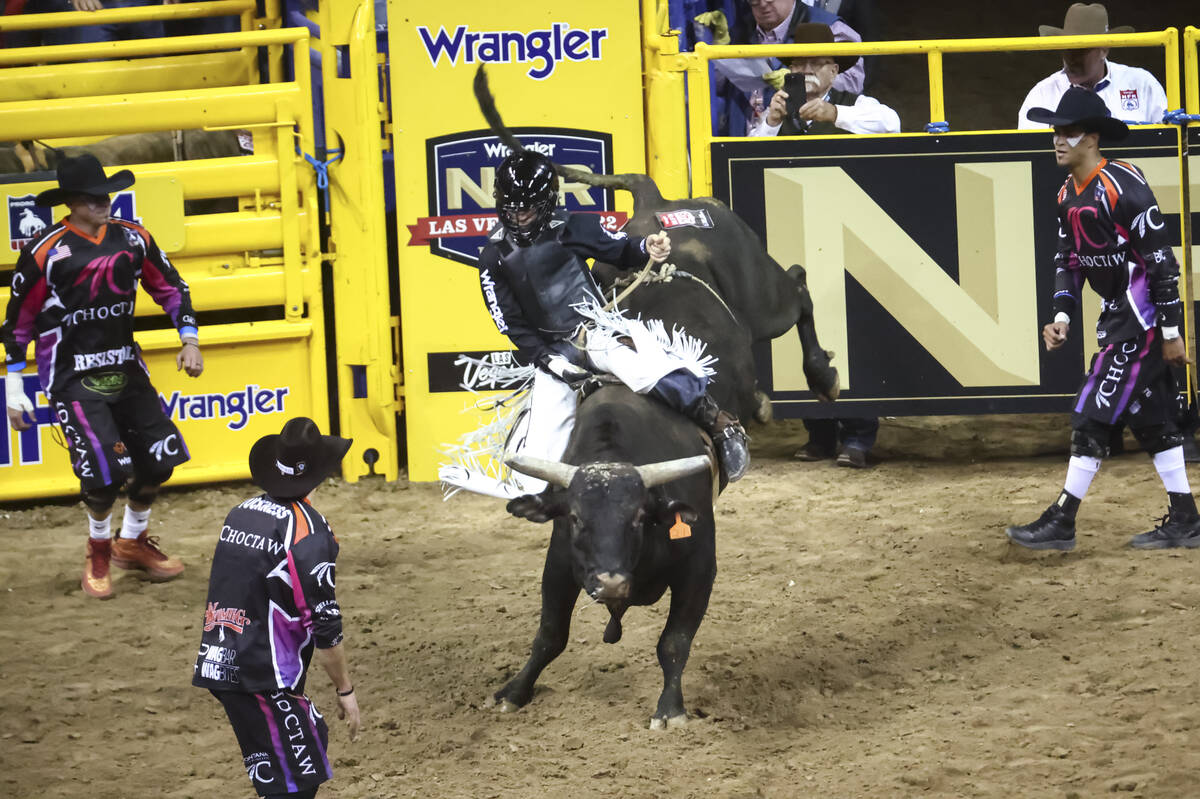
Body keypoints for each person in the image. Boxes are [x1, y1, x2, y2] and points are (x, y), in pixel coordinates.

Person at [439, 149, 749, 499]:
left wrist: (646, 245)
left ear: (545, 204)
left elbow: (618, 249)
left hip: (597, 331)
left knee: (649, 373)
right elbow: (510, 322)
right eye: (511, 208)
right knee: (531, 475)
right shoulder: (492, 256)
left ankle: (721, 426)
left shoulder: (571, 227)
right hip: (553, 354)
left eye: (526, 209)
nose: (518, 217)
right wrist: (549, 360)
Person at [1006, 87, 1200, 551]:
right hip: (1121, 315)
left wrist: (1171, 332)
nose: (1057, 140)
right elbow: (1068, 259)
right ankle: (1187, 518)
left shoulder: (1124, 187)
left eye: (1068, 132)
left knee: (1092, 413)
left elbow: (1162, 262)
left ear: (1091, 138)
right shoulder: (1066, 195)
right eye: (1055, 131)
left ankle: (1063, 519)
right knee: (1153, 419)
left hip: (1142, 320)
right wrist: (1061, 316)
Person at [2, 152, 203, 598]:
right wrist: (15, 389)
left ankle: (130, 541)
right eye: (92, 198)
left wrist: (188, 338)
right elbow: (18, 322)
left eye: (105, 195)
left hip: (125, 367)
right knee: (105, 472)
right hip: (71, 375)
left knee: (160, 460)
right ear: (71, 202)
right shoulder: (46, 252)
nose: (102, 203)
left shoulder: (133, 240)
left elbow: (171, 287)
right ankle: (98, 548)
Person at [193, 416, 359, 799]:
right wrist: (344, 689)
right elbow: (325, 625)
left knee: (302, 752)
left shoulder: (241, 512)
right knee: (296, 782)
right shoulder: (309, 532)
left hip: (222, 658)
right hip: (262, 676)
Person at [716, 0, 865, 136]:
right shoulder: (738, 31)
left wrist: (801, 82)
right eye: (754, 1)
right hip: (743, 141)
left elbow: (851, 86)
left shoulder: (829, 29)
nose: (762, 4)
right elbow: (717, 87)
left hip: (805, 141)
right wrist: (718, 49)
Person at [1017, 3, 1167, 130]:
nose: (1071, 58)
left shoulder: (1141, 84)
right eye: (1066, 48)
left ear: (1104, 50)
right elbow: (1027, 153)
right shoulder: (1042, 94)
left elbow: (1170, 142)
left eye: (1081, 50)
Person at [749, 22, 899, 136]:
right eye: (800, 63)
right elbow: (748, 155)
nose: (807, 70)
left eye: (815, 63)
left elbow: (892, 125)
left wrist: (834, 113)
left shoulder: (855, 104)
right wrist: (771, 124)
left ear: (833, 71)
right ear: (791, 70)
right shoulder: (778, 108)